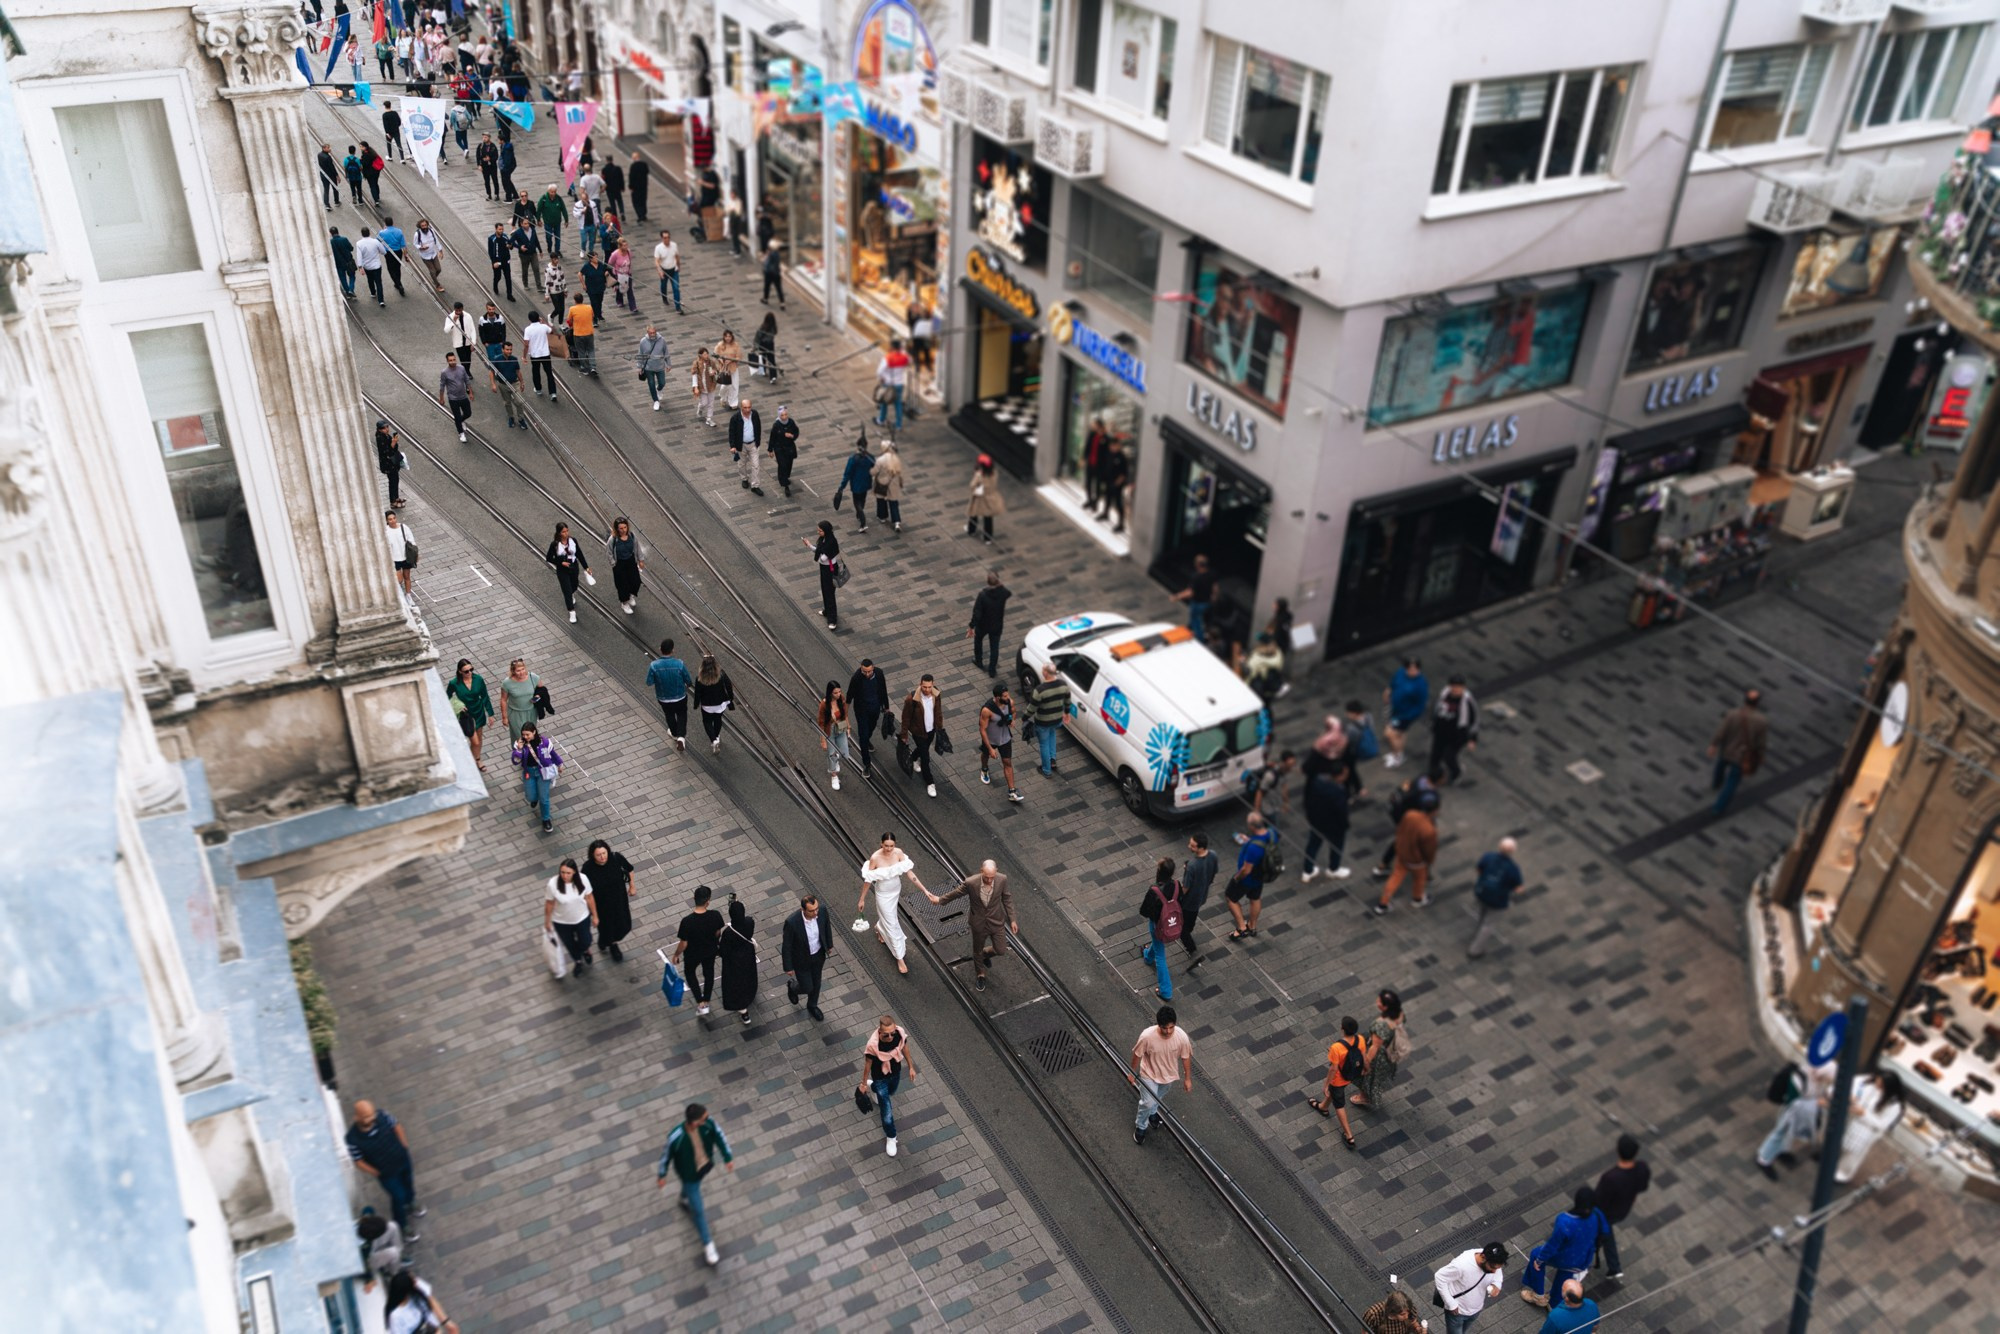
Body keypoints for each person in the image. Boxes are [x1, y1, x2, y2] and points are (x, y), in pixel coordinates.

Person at [655, 1103, 734, 1267]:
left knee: (690, 1189)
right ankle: (708, 1244)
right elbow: (666, 1156)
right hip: (688, 1174)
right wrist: (662, 1174)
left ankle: (683, 1198)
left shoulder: (708, 1124)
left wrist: (727, 1156)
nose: (708, 1118)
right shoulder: (676, 1137)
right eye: (704, 1118)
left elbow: (719, 1136)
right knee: (698, 1210)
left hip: (702, 1168)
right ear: (695, 1122)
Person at [924, 860, 1013, 992]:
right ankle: (980, 974)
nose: (989, 880)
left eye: (992, 877)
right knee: (977, 949)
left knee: (1001, 950)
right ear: (981, 871)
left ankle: (984, 954)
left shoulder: (1002, 879)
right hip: (978, 923)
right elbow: (956, 893)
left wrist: (1013, 919)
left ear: (996, 871)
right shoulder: (971, 882)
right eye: (986, 877)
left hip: (996, 921)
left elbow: (1007, 898)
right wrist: (940, 900)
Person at [346, 1100, 422, 1239]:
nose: (371, 1119)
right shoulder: (352, 1139)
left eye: (371, 1115)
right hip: (386, 1173)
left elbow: (396, 1126)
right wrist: (376, 1172)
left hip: (402, 1160)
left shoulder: (383, 1116)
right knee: (398, 1197)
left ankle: (411, 1202)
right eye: (366, 1117)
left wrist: (403, 1146)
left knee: (408, 1183)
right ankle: (402, 1225)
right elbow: (358, 1161)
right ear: (356, 1117)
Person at [1521, 1189, 1608, 1308]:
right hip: (1582, 1259)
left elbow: (1552, 1245)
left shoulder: (1565, 1220)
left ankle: (1538, 1296)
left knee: (1536, 1254)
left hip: (1563, 1256)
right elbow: (1605, 1233)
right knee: (1565, 1276)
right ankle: (1554, 1303)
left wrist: (1540, 1260)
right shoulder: (1598, 1215)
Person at [860, 833, 926, 975]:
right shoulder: (875, 858)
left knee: (890, 919)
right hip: (883, 894)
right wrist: (862, 899)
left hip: (895, 890)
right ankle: (899, 957)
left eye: (892, 846)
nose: (889, 849)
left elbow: (910, 874)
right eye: (886, 846)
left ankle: (879, 927)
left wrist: (925, 891)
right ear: (881, 844)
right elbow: (868, 880)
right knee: (892, 923)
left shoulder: (899, 853)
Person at [1129, 1005, 1193, 1145]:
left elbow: (1185, 1057)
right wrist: (1132, 1072)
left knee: (1158, 1097)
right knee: (1148, 1102)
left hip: (1168, 1076)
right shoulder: (1147, 1036)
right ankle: (1141, 1126)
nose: (1168, 1031)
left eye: (1171, 1027)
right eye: (1165, 1028)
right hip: (1149, 1074)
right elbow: (1137, 1054)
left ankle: (1153, 1113)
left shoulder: (1181, 1037)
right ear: (1159, 1025)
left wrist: (1187, 1078)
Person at [1370, 789, 1437, 917]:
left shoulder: (1410, 814)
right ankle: (1417, 898)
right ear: (1434, 811)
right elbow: (1429, 850)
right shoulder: (1429, 829)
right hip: (1417, 860)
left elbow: (1400, 830)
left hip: (1402, 852)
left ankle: (1383, 903)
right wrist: (1429, 861)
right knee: (1419, 879)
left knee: (1395, 877)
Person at [1594, 1133, 1651, 1278]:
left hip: (1605, 1212)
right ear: (1636, 1152)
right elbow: (1643, 1187)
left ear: (1617, 1150)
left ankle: (1612, 1265)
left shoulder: (1610, 1177)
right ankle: (1614, 1267)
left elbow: (1599, 1201)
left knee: (1602, 1232)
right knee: (1605, 1232)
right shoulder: (1642, 1168)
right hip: (1623, 1210)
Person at [859, 1014, 917, 1155]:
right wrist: (862, 1083)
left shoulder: (900, 1034)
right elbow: (868, 1064)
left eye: (892, 1033)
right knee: (887, 1110)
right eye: (886, 1035)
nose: (890, 1037)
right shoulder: (873, 1045)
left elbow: (905, 1049)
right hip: (880, 1078)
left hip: (895, 1072)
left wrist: (910, 1066)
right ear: (880, 1032)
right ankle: (891, 1136)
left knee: (891, 1091)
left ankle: (873, 1088)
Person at [1835, 1071, 1905, 1184]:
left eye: (1881, 1083)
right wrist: (1855, 1101)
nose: (1877, 1084)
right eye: (1878, 1080)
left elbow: (1882, 1125)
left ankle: (1843, 1175)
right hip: (1857, 1122)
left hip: (1869, 1130)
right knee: (1845, 1146)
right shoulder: (1873, 1087)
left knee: (1854, 1154)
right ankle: (1836, 1167)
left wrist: (1863, 1114)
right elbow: (1863, 1099)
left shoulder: (1894, 1105)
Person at [1307, 1016, 1366, 1150]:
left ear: (1342, 1029)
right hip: (1352, 1074)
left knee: (1339, 1105)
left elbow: (1333, 1068)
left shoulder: (1337, 1047)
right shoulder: (1360, 1039)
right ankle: (1323, 1107)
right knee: (1334, 1094)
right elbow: (1363, 1056)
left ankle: (1349, 1135)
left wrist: (1326, 1084)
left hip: (1339, 1080)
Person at [1708, 687, 1768, 815]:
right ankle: (1718, 808)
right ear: (1757, 703)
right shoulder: (1762, 721)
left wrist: (1713, 744)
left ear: (1745, 700)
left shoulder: (1732, 714)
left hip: (1727, 750)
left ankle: (1716, 783)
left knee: (1721, 765)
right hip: (1743, 756)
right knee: (1732, 782)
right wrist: (1761, 756)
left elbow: (1721, 732)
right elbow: (1761, 743)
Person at [1466, 837, 1524, 958]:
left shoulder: (1488, 857)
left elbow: (1478, 869)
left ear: (1499, 847)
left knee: (1482, 915)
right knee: (1489, 924)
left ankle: (1477, 933)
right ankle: (1475, 950)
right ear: (1513, 851)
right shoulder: (1513, 868)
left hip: (1481, 893)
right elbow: (1518, 888)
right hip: (1497, 901)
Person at [1434, 1243, 1508, 1334]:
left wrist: (1497, 1284)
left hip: (1476, 1309)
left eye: (1497, 1268)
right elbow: (1439, 1277)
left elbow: (1497, 1272)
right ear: (1483, 1257)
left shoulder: (1492, 1259)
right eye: (1492, 1267)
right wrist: (1451, 1303)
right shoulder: (1461, 1265)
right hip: (1457, 1312)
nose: (1494, 1271)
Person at [672, 885, 724, 1016]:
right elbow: (718, 933)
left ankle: (700, 1002)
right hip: (710, 951)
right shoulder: (715, 915)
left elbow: (684, 943)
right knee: (709, 974)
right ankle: (706, 1000)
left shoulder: (687, 922)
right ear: (708, 901)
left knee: (690, 973)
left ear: (694, 898)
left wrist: (676, 955)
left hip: (692, 954)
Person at [781, 893, 834, 1021]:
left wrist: (829, 945)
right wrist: (788, 967)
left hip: (818, 955)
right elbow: (787, 945)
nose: (816, 913)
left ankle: (812, 1006)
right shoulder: (792, 922)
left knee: (816, 983)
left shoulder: (822, 911)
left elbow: (826, 927)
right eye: (811, 911)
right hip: (801, 960)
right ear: (802, 910)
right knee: (807, 987)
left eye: (816, 909)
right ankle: (793, 987)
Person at [1137, 856, 1183, 1000]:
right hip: (1172, 923)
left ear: (1159, 871)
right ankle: (1147, 956)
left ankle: (1166, 991)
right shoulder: (1177, 885)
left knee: (1161, 956)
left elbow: (1144, 911)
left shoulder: (1154, 890)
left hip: (1158, 926)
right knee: (1157, 946)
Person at [1298, 764, 1352, 883]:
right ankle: (1333, 868)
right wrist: (1345, 824)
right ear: (1339, 776)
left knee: (1313, 845)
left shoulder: (1317, 783)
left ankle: (1308, 870)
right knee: (1336, 847)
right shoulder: (1338, 791)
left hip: (1317, 821)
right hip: (1334, 825)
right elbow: (1341, 811)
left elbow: (1309, 799)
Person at [1353, 988, 1406, 1110]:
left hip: (1379, 1055)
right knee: (1375, 1077)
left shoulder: (1381, 1025)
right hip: (1390, 1051)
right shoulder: (1399, 1014)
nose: (1377, 1002)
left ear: (1385, 1007)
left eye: (1380, 1001)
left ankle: (1363, 1097)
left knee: (1367, 1076)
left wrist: (1365, 1063)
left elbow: (1374, 1047)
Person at [1226, 812, 1275, 940]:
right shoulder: (1271, 833)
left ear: (1252, 826)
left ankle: (1241, 928)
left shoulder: (1254, 848)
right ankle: (1252, 927)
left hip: (1247, 878)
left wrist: (1236, 878)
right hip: (1260, 876)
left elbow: (1246, 870)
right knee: (1255, 898)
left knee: (1231, 898)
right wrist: (1248, 841)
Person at [543, 856, 598, 970]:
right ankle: (578, 960)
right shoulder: (553, 884)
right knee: (569, 944)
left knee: (586, 940)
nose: (564, 876)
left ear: (574, 872)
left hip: (581, 918)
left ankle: (585, 950)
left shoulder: (583, 879)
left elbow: (589, 897)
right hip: (561, 921)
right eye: (562, 872)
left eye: (568, 873)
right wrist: (547, 921)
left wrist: (595, 916)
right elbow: (549, 904)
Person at [585, 839, 635, 963]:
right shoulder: (588, 868)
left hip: (619, 901)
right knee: (606, 927)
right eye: (598, 855)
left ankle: (606, 940)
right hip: (601, 905)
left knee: (622, 924)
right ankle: (612, 944)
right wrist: (592, 912)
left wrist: (632, 885)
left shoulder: (616, 858)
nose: (602, 857)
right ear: (593, 855)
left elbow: (629, 869)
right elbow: (585, 890)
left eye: (604, 853)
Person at [1428, 675, 1480, 785]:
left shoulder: (1468, 701)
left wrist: (1473, 739)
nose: (1456, 689)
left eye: (1459, 687)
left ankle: (1456, 773)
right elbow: (1437, 708)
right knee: (1435, 755)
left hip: (1457, 734)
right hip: (1441, 731)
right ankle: (1435, 774)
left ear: (1463, 688)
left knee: (1449, 756)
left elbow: (1474, 720)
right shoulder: (1444, 694)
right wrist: (1433, 722)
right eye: (1454, 686)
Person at [513, 720, 562, 833]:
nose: (525, 737)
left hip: (543, 772)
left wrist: (559, 764)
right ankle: (534, 798)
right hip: (528, 772)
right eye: (523, 734)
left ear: (534, 732)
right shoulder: (519, 744)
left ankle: (546, 819)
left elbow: (553, 754)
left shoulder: (544, 742)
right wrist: (519, 749)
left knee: (544, 798)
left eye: (527, 734)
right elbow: (515, 761)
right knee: (530, 796)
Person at [899, 674, 944, 798]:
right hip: (918, 732)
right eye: (924, 687)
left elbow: (938, 712)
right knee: (926, 757)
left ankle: (913, 758)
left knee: (922, 749)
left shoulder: (936, 695)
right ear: (920, 684)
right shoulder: (912, 699)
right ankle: (930, 782)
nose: (927, 690)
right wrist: (904, 734)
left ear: (933, 684)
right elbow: (906, 717)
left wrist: (939, 727)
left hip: (931, 730)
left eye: (929, 687)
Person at [978, 683, 1024, 803]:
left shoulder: (1010, 702)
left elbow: (1014, 712)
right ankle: (984, 768)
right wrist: (990, 748)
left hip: (1005, 738)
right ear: (998, 697)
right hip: (991, 739)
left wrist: (1012, 719)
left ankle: (1012, 791)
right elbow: (982, 729)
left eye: (1007, 695)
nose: (1007, 697)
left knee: (1007, 762)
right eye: (1005, 696)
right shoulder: (987, 710)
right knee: (986, 755)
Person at [445, 658, 493, 769]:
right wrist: (456, 706)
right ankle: (471, 761)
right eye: (466, 671)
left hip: (479, 711)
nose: (470, 673)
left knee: (479, 738)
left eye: (471, 669)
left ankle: (477, 759)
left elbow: (485, 696)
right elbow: (447, 696)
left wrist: (490, 714)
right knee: (475, 741)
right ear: (460, 672)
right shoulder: (454, 683)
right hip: (466, 714)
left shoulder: (478, 679)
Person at [718, 896, 759, 1025]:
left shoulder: (728, 933)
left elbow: (723, 951)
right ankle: (751, 993)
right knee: (749, 976)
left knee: (736, 983)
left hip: (734, 961)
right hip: (748, 955)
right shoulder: (749, 922)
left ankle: (743, 1011)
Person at [1381, 660, 1428, 769]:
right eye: (1409, 669)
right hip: (1394, 710)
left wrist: (1407, 717)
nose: (1412, 671)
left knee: (1389, 734)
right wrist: (1388, 691)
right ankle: (1398, 754)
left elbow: (1420, 705)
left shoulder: (1421, 684)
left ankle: (1397, 756)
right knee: (1400, 733)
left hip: (1404, 715)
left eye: (1415, 669)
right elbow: (1393, 683)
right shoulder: (1401, 673)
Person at [1181, 832, 1218, 969]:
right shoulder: (1213, 855)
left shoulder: (1192, 865)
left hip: (1188, 901)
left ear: (1201, 848)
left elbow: (1185, 888)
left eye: (1193, 846)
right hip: (1201, 897)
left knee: (1181, 928)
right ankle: (1188, 932)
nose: (1189, 846)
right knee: (1190, 920)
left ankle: (1193, 951)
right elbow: (1213, 874)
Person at [1027, 662, 1070, 777]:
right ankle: (1053, 760)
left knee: (1043, 744)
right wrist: (1067, 713)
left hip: (1043, 722)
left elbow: (1032, 708)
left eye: (1042, 670)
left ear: (1046, 673)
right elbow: (1067, 700)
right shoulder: (1063, 685)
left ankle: (1046, 770)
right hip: (1056, 719)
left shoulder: (1040, 690)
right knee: (1052, 735)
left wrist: (1025, 717)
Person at [545, 522, 591, 624]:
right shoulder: (555, 544)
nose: (566, 533)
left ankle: (572, 594)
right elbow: (548, 558)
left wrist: (586, 567)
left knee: (574, 585)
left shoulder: (573, 541)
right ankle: (571, 611)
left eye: (567, 531)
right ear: (559, 533)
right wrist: (560, 562)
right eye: (563, 532)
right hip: (562, 570)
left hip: (574, 567)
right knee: (567, 590)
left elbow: (579, 553)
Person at [383, 1271, 459, 1334]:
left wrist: (446, 1322)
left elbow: (430, 1298)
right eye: (414, 1281)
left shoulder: (417, 1288)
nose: (417, 1281)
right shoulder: (395, 1316)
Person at [968, 570, 1011, 677]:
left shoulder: (983, 595)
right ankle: (992, 670)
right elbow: (1008, 593)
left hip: (983, 625)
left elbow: (977, 612)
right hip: (997, 625)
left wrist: (971, 625)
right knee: (994, 647)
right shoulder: (1002, 592)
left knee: (978, 641)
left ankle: (979, 661)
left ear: (987, 582)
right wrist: (1000, 586)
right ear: (998, 581)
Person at [693, 654, 735, 753]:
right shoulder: (721, 675)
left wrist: (696, 704)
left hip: (707, 705)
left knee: (707, 722)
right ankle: (716, 736)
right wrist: (730, 698)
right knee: (718, 719)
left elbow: (697, 693)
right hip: (720, 704)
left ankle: (713, 739)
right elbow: (729, 687)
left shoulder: (699, 678)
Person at [1174, 554, 1218, 644]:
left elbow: (1190, 592)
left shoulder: (1196, 577)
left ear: (1198, 564)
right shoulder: (1211, 574)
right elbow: (1215, 588)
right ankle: (1190, 628)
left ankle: (1199, 641)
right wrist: (1214, 597)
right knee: (1201, 619)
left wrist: (1177, 596)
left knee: (1196, 621)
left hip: (1198, 603)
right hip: (1207, 602)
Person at [837, 433, 875, 531]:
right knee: (862, 499)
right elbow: (874, 466)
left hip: (856, 485)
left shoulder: (853, 459)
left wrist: (842, 486)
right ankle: (859, 514)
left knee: (856, 502)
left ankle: (862, 522)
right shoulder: (869, 457)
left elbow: (847, 474)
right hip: (866, 483)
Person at [497, 657, 540, 743]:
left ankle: (531, 754)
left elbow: (542, 690)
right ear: (513, 671)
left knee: (531, 735)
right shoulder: (507, 683)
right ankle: (520, 753)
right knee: (521, 736)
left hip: (531, 712)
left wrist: (537, 697)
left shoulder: (533, 677)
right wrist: (504, 717)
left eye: (523, 669)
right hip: (515, 714)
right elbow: (503, 700)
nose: (521, 672)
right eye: (518, 670)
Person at [819, 681, 852, 791]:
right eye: (835, 693)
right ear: (830, 693)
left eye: (839, 691)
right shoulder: (824, 704)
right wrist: (823, 740)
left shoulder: (841, 699)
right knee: (831, 754)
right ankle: (834, 776)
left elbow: (845, 714)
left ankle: (835, 760)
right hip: (830, 731)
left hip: (841, 727)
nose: (838, 694)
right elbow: (821, 723)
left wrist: (848, 726)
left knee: (845, 755)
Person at [356, 1212, 405, 1287]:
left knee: (392, 1226)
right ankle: (394, 1276)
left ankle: (398, 1258)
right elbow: (364, 1270)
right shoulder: (363, 1250)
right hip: (367, 1261)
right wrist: (370, 1278)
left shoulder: (361, 1226)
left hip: (369, 1242)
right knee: (394, 1253)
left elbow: (368, 1209)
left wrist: (367, 1215)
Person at [728, 396, 764, 495]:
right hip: (741, 445)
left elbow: (758, 427)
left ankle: (755, 486)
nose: (747, 410)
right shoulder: (735, 418)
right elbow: (731, 432)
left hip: (753, 444)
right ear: (741, 407)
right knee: (741, 464)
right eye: (745, 407)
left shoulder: (755, 414)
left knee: (756, 466)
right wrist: (733, 446)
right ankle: (744, 479)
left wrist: (758, 442)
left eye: (749, 407)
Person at [488, 340, 528, 430]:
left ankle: (521, 418)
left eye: (510, 349)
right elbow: (491, 372)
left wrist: (522, 382)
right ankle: (511, 417)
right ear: (502, 350)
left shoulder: (514, 359)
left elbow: (518, 371)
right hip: (503, 385)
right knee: (507, 402)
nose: (509, 351)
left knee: (520, 401)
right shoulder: (497, 359)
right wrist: (493, 384)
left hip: (514, 383)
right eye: (507, 349)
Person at [607, 516, 644, 614]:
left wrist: (640, 560)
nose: (623, 530)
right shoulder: (613, 539)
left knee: (636, 581)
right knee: (622, 585)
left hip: (631, 561)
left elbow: (637, 547)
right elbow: (609, 552)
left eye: (625, 527)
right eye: (621, 528)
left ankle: (631, 594)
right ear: (617, 529)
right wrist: (613, 564)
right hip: (619, 563)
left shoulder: (631, 535)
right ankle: (624, 603)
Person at [1537, 1279, 1601, 1334]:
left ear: (1567, 1298)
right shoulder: (1591, 1304)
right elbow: (1595, 1327)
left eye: (1562, 1289)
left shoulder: (1555, 1316)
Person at [809, 520, 840, 630]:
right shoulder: (824, 539)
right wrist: (809, 545)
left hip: (830, 570)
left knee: (830, 593)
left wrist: (819, 551)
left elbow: (822, 558)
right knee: (825, 590)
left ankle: (832, 619)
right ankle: (827, 610)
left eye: (820, 531)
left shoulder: (831, 542)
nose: (818, 532)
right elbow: (819, 551)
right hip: (824, 569)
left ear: (826, 531)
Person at [966, 454, 1004, 543]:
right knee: (988, 519)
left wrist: (976, 474)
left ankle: (972, 530)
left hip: (980, 499)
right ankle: (988, 538)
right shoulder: (994, 473)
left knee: (973, 514)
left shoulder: (979, 475)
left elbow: (972, 486)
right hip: (991, 497)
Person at [874, 338, 911, 431]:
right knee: (898, 404)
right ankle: (899, 425)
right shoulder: (904, 357)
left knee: (884, 403)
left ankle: (881, 420)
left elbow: (879, 371)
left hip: (888, 384)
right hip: (899, 384)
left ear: (892, 347)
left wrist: (882, 378)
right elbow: (909, 362)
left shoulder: (888, 357)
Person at [522, 310, 558, 403]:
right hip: (545, 353)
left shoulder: (528, 330)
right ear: (538, 318)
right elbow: (552, 332)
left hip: (535, 355)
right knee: (549, 373)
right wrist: (543, 322)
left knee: (536, 371)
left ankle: (538, 389)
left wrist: (524, 356)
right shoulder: (544, 327)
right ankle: (553, 393)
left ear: (529, 319)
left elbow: (526, 345)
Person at [438, 352, 475, 442]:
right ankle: (461, 433)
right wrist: (441, 398)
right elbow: (442, 386)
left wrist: (470, 393)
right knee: (457, 416)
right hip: (453, 398)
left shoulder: (461, 368)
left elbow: (467, 380)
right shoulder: (444, 372)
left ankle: (461, 421)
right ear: (447, 361)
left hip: (463, 396)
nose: (453, 362)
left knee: (468, 413)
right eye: (450, 360)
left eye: (454, 359)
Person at [872, 439, 905, 532]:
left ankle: (882, 516)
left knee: (881, 500)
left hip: (882, 483)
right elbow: (900, 473)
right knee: (894, 503)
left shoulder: (880, 460)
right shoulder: (896, 459)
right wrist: (901, 483)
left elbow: (874, 471)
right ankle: (897, 521)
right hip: (894, 484)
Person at [1361, 1288, 1426, 1334]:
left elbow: (1412, 1322)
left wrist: (1417, 1329)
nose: (1406, 1316)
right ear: (1393, 1312)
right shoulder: (1374, 1314)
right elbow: (1365, 1331)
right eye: (1403, 1314)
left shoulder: (1408, 1308)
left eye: (1408, 1312)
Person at [637, 323, 671, 411]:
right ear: (647, 332)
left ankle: (659, 389)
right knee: (651, 384)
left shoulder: (662, 340)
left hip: (659, 366)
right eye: (650, 333)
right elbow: (640, 354)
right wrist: (639, 367)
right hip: (648, 367)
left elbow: (666, 352)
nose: (652, 334)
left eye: (654, 332)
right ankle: (656, 401)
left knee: (662, 383)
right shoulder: (643, 341)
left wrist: (668, 364)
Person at [769, 405, 801, 497]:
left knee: (789, 464)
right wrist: (770, 449)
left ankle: (786, 476)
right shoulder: (776, 425)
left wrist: (792, 436)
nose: (784, 417)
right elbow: (772, 437)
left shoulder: (791, 422)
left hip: (789, 447)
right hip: (779, 448)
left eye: (786, 414)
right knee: (782, 465)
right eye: (782, 415)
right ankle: (785, 484)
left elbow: (796, 431)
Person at [384, 509, 416, 599]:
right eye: (390, 519)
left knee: (407, 577)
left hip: (406, 557)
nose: (393, 521)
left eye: (394, 518)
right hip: (394, 559)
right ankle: (399, 594)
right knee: (399, 580)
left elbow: (411, 540)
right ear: (386, 521)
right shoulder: (385, 531)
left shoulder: (403, 527)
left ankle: (408, 596)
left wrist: (415, 554)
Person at [508, 213, 542, 296]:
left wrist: (540, 250)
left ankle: (539, 286)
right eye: (525, 223)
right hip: (524, 255)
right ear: (521, 224)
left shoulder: (532, 230)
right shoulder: (518, 232)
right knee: (525, 270)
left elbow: (536, 240)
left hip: (533, 253)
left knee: (536, 268)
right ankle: (525, 284)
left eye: (528, 223)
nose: (527, 225)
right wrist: (519, 247)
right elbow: (510, 242)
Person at [565, 293, 598, 377]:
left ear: (575, 300)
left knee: (581, 351)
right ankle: (593, 367)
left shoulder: (572, 309)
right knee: (591, 350)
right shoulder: (589, 307)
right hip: (589, 332)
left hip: (578, 334)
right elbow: (592, 316)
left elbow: (569, 321)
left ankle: (584, 367)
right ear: (582, 299)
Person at [376, 215, 408, 296]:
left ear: (385, 223)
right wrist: (406, 255)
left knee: (391, 269)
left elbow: (378, 242)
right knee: (397, 268)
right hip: (398, 252)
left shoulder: (382, 233)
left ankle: (398, 284)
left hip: (389, 253)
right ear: (393, 223)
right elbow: (403, 245)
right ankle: (398, 283)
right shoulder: (399, 231)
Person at [355, 226, 388, 306]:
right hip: (376, 266)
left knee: (370, 280)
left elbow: (359, 256)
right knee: (378, 282)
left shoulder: (359, 243)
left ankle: (373, 292)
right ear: (369, 233)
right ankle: (381, 300)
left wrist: (360, 267)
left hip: (367, 266)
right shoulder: (376, 242)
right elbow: (383, 252)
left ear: (362, 234)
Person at [689, 345, 721, 427]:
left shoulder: (711, 362)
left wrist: (714, 372)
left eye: (707, 354)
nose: (706, 356)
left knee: (711, 403)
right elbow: (694, 375)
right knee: (704, 403)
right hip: (702, 387)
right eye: (704, 354)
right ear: (700, 355)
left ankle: (709, 419)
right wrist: (695, 387)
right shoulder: (696, 363)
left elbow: (717, 371)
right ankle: (700, 408)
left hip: (711, 386)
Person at [374, 422, 404, 508]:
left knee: (395, 480)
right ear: (379, 429)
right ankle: (393, 502)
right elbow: (387, 452)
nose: (387, 429)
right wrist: (393, 443)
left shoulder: (386, 436)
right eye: (384, 428)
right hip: (388, 465)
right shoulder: (380, 438)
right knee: (393, 482)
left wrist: (394, 442)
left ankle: (396, 498)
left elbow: (394, 448)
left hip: (392, 464)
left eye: (387, 427)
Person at [714, 330, 745, 410]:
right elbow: (716, 355)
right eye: (726, 336)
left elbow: (739, 357)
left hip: (733, 368)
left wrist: (731, 360)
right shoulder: (720, 345)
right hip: (724, 369)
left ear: (732, 337)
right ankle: (723, 398)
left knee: (734, 386)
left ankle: (733, 403)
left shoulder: (735, 345)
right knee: (724, 386)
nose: (728, 338)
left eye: (729, 336)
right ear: (724, 337)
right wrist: (722, 360)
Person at [653, 228, 682, 313]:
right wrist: (659, 271)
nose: (667, 239)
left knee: (676, 288)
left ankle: (678, 307)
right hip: (664, 270)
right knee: (663, 285)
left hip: (674, 270)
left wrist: (679, 265)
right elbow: (656, 261)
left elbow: (677, 256)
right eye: (665, 237)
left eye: (668, 237)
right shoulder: (658, 248)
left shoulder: (674, 245)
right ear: (662, 238)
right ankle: (664, 297)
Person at [413, 219, 445, 292]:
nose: (424, 227)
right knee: (433, 271)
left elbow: (436, 240)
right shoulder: (417, 234)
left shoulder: (431, 231)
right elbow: (415, 244)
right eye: (422, 226)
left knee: (438, 269)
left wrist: (440, 251)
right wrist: (421, 247)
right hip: (425, 256)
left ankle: (434, 278)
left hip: (433, 253)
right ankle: (438, 285)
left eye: (425, 225)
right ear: (420, 227)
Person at [536, 182, 566, 256]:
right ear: (548, 191)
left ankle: (557, 251)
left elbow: (563, 209)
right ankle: (549, 247)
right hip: (548, 222)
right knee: (549, 237)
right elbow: (538, 210)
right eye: (551, 192)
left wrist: (566, 219)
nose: (553, 193)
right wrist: (538, 220)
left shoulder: (558, 198)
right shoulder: (543, 199)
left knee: (558, 237)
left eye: (554, 192)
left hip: (557, 222)